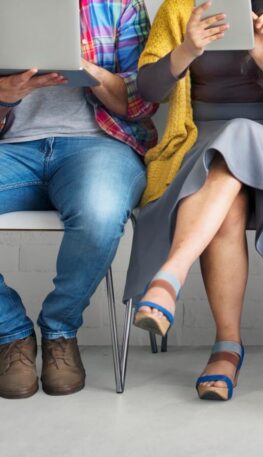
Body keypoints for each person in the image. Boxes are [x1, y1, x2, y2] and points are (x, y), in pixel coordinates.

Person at [124, 0, 263, 401]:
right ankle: (227, 347)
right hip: (201, 140)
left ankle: (170, 276)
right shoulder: (181, 7)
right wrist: (187, 49)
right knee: (226, 202)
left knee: (238, 135)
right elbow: (149, 91)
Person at [0, 0, 157, 399]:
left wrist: (88, 71)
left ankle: (59, 330)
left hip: (99, 145)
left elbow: (141, 103)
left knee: (100, 213)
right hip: (12, 147)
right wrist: (3, 94)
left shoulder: (119, 5)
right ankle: (11, 333)